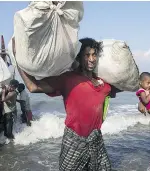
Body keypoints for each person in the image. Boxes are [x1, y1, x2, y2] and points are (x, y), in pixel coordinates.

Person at [16, 38, 121, 171]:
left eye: (94, 55)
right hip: (74, 139)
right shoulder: (68, 79)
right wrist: (18, 61)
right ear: (79, 57)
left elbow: (123, 85)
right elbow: (33, 87)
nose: (92, 58)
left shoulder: (103, 84)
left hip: (96, 139)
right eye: (87, 55)